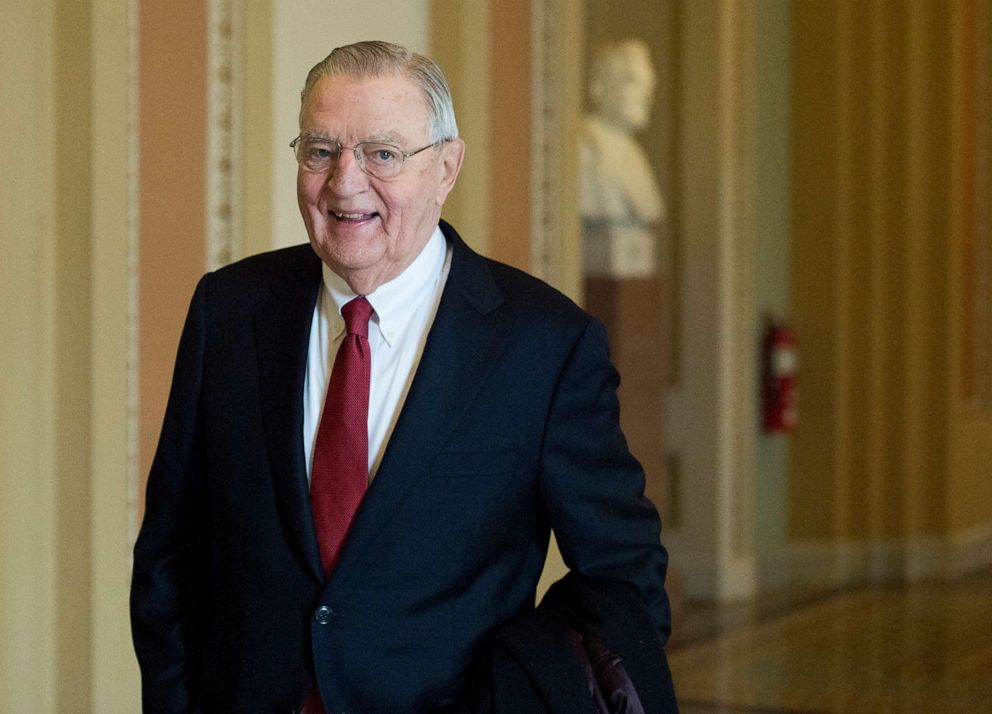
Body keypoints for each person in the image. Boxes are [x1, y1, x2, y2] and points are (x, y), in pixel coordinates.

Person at [131, 40, 675, 713]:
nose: (345, 182)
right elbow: (170, 554)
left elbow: (623, 582)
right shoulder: (229, 311)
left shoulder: (544, 344)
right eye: (320, 150)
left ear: (446, 167)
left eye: (382, 153)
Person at [581, 39, 666, 280]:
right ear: (599, 86)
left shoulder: (637, 156)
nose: (645, 92)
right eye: (632, 81)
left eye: (648, 83)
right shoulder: (584, 150)